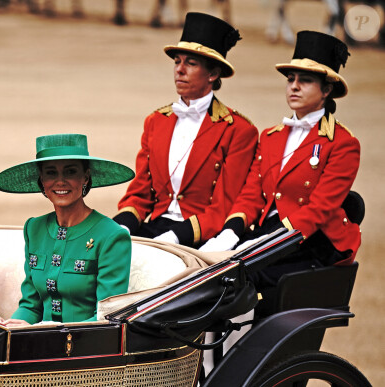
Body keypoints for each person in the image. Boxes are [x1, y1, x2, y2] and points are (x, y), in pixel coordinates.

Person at [201, 31, 361, 290]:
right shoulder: (271, 136)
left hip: (312, 240)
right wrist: (230, 231)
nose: (294, 86)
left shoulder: (343, 143)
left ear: (327, 90)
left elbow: (319, 209)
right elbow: (253, 192)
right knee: (205, 267)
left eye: (305, 81)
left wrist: (265, 242)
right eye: (290, 79)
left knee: (239, 281)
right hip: (270, 231)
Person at [113, 12, 259, 248]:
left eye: (190, 63)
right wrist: (122, 227)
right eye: (177, 61)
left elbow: (223, 206)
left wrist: (175, 236)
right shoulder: (156, 121)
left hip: (203, 236)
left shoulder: (239, 130)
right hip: (156, 227)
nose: (179, 70)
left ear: (213, 74)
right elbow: (139, 193)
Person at [0, 134, 135, 326]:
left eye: (70, 172)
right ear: (41, 179)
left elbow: (107, 318)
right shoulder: (34, 229)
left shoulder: (112, 236)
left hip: (88, 348)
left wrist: (47, 330)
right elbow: (31, 306)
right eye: (51, 173)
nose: (60, 182)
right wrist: (13, 326)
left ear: (86, 177)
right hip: (38, 343)